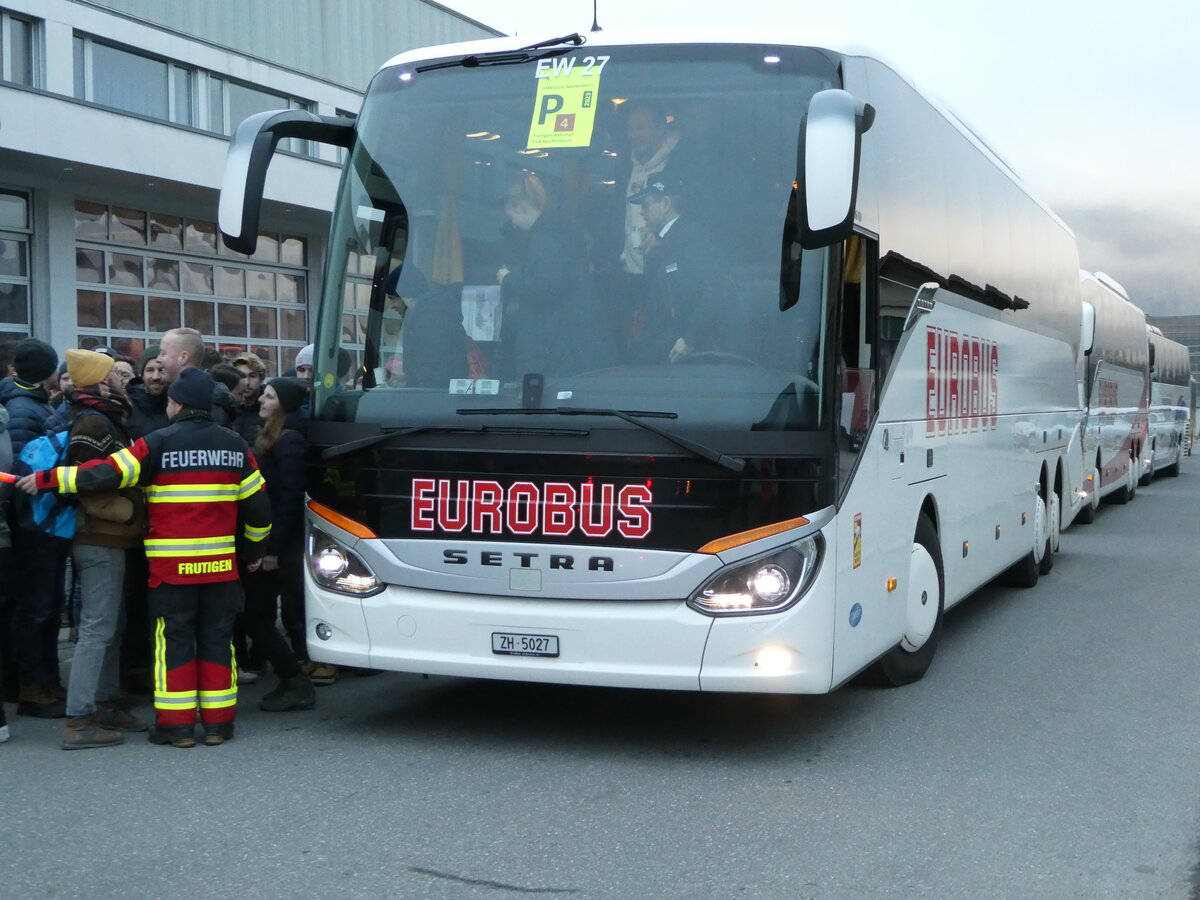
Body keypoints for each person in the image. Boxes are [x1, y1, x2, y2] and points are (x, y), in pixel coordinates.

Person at [18, 367, 272, 748]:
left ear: (177, 404)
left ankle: (177, 728)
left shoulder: (158, 442)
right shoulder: (235, 446)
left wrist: (47, 480)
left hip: (171, 572)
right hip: (220, 570)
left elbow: (106, 474)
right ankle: (218, 726)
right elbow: (259, 508)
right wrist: (254, 551)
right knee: (219, 643)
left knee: (173, 644)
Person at [56, 349, 148, 750]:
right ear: (98, 380)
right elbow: (88, 482)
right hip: (99, 538)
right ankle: (79, 719)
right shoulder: (93, 422)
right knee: (97, 629)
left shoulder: (106, 416)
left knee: (112, 625)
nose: (120, 380)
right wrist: (128, 510)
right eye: (113, 374)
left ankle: (107, 704)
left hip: (111, 538)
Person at [0, 338, 70, 718]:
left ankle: (44, 680)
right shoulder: (24, 409)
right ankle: (32, 686)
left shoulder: (31, 404)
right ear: (51, 371)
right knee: (36, 606)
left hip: (42, 522)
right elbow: (19, 475)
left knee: (46, 605)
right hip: (34, 524)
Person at [242, 376, 322, 700]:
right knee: (257, 613)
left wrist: (272, 549)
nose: (262, 400)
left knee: (257, 613)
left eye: (270, 396)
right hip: (272, 540)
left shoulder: (289, 442)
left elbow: (288, 499)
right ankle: (291, 672)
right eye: (264, 395)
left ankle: (294, 676)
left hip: (279, 544)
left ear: (284, 406)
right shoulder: (273, 435)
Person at [497, 177, 599, 377]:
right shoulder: (559, 234)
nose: (513, 223)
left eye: (511, 215)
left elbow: (549, 287)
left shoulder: (543, 241)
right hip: (570, 339)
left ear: (521, 207)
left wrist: (510, 278)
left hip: (553, 343)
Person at [627, 173, 727, 364]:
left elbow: (716, 291)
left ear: (665, 203)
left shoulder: (692, 241)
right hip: (667, 347)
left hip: (685, 354)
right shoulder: (667, 241)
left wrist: (690, 338)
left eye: (646, 205)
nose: (641, 213)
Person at [128, 345, 169, 440]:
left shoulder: (179, 404)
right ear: (142, 375)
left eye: (161, 370)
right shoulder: (129, 406)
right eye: (150, 370)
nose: (156, 377)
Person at [231, 352, 267, 444]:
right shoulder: (227, 407)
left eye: (252, 376)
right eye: (241, 376)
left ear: (261, 378)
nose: (247, 382)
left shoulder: (269, 408)